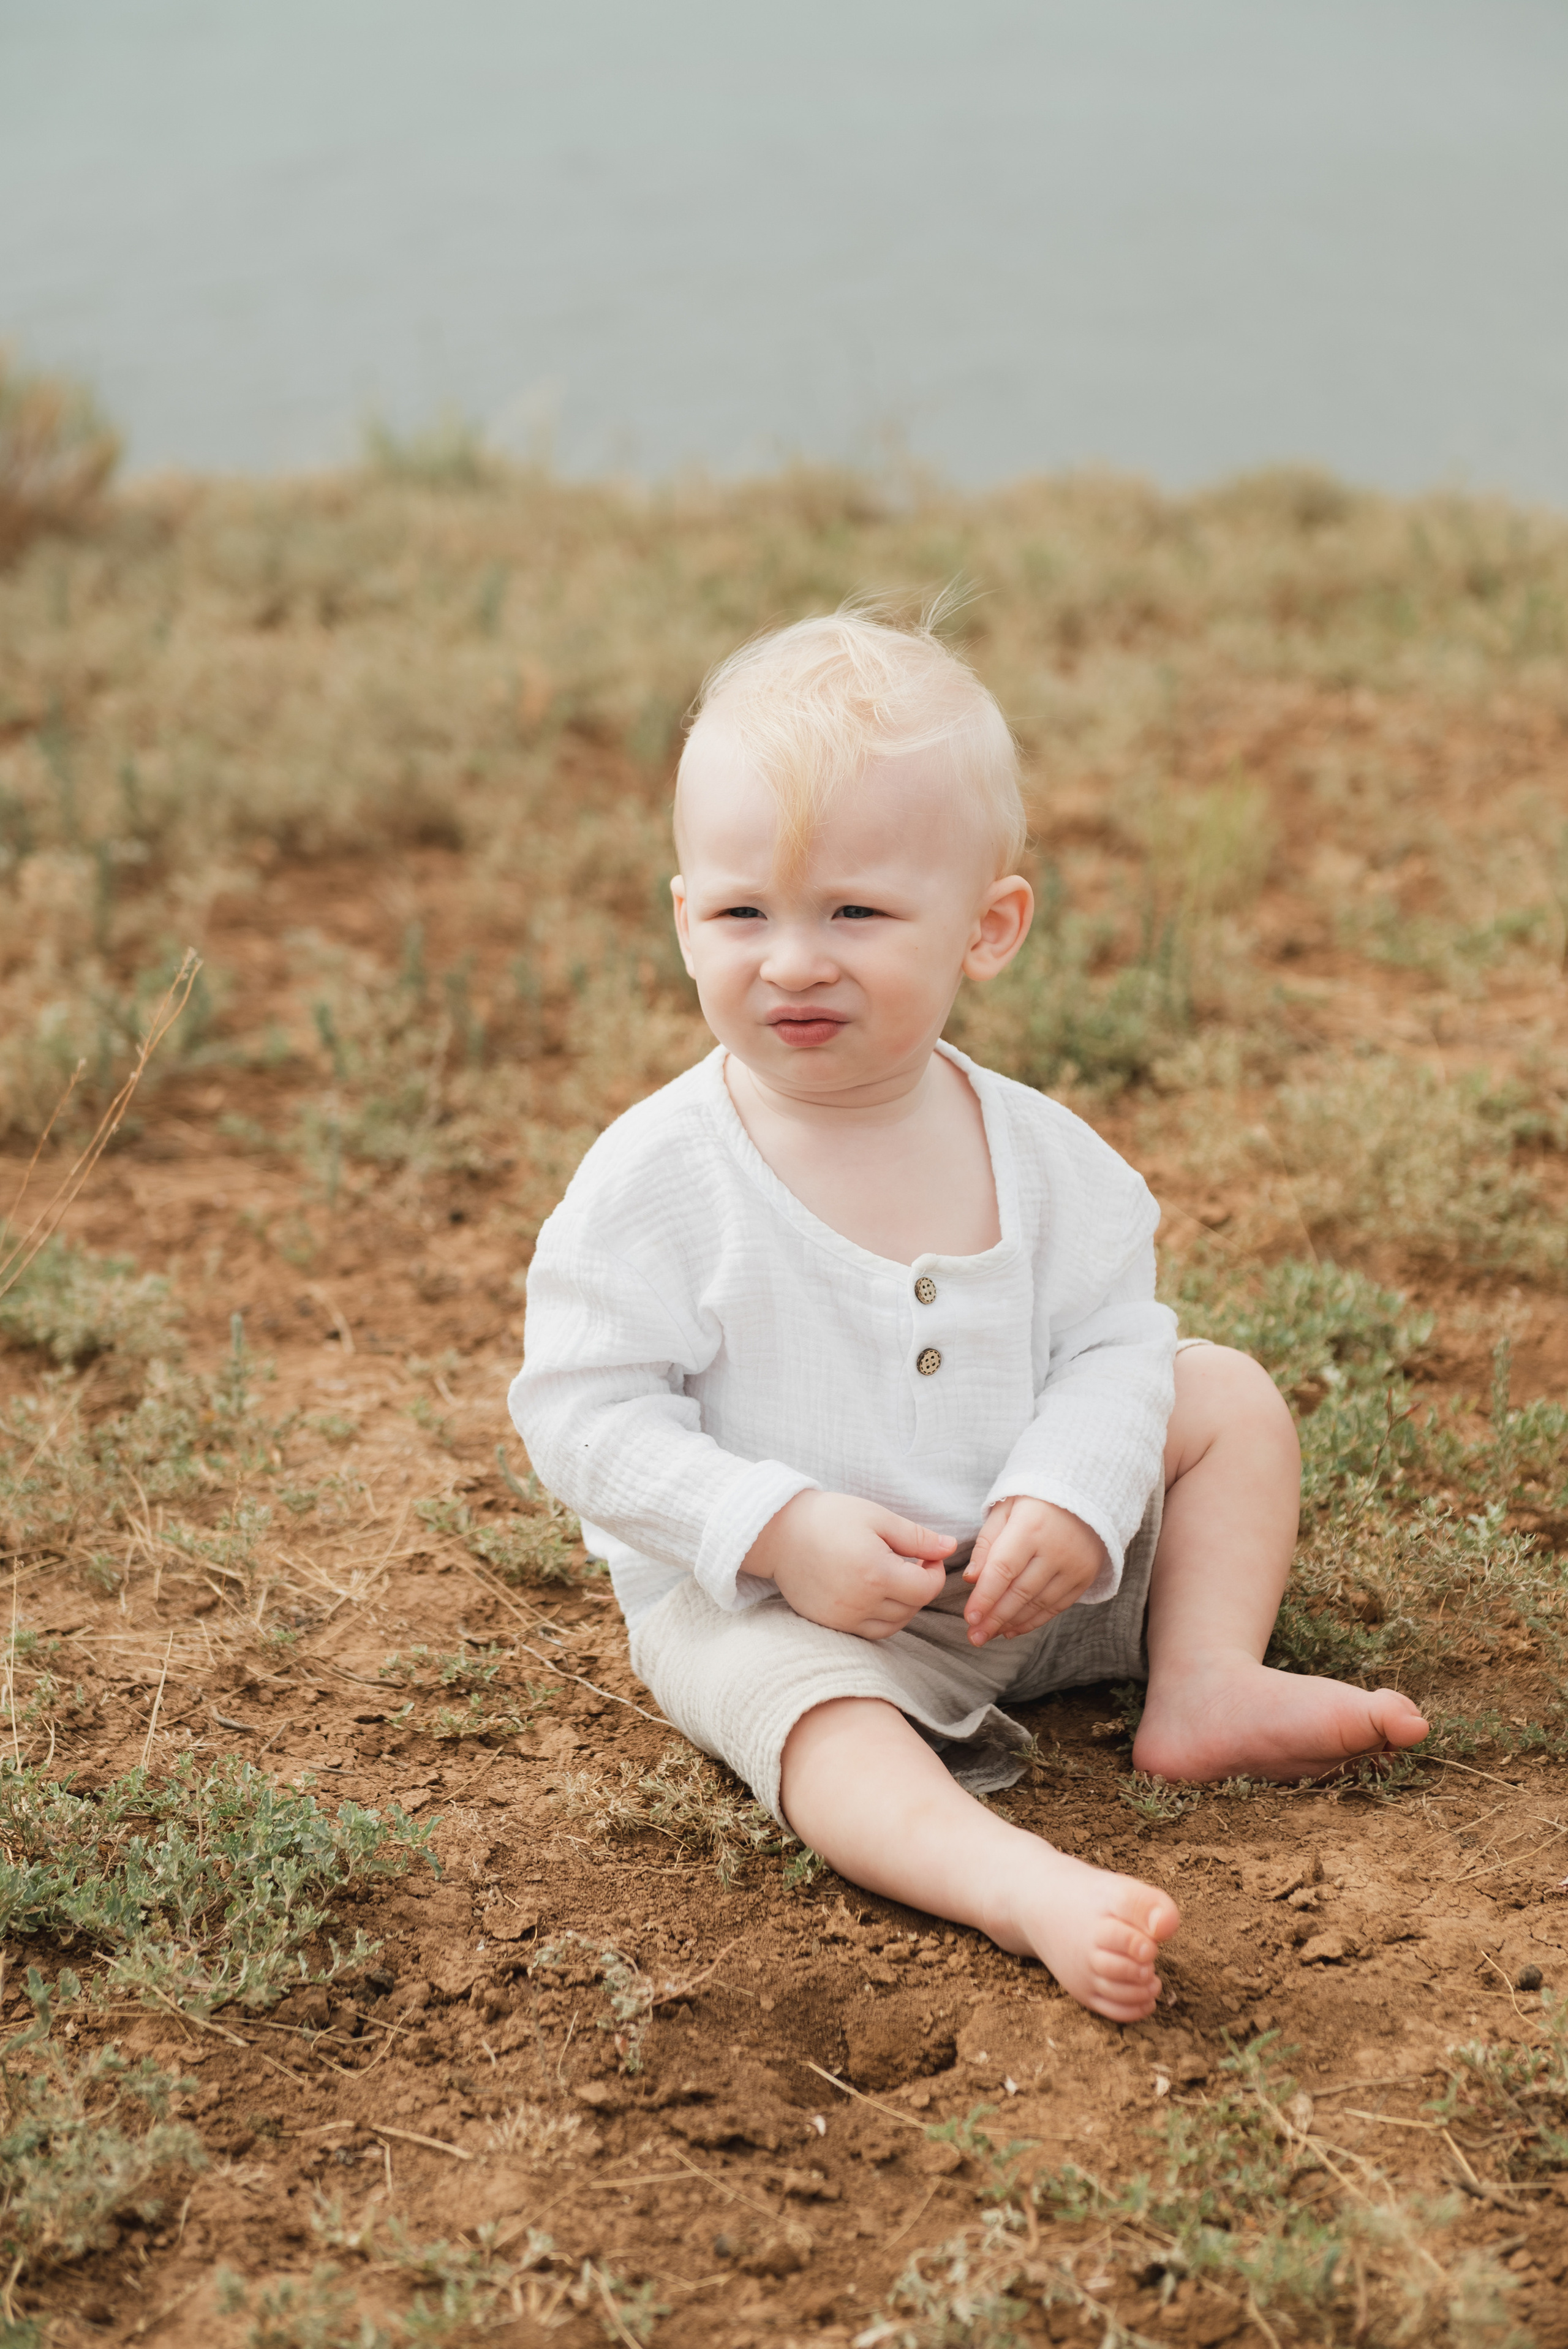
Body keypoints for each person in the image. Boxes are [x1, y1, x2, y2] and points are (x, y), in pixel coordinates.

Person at [509, 608, 1428, 2022]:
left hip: (1031, 1583)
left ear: (985, 929)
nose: (792, 962)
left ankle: (1201, 1683)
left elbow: (1114, 1348)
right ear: (682, 915)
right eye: (742, 911)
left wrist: (1072, 1493)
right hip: (795, 1611)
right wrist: (773, 1528)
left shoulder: (1051, 1158)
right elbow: (580, 1413)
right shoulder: (659, 1176)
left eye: (856, 914)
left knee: (1221, 1392)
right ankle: (1011, 1882)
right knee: (820, 1730)